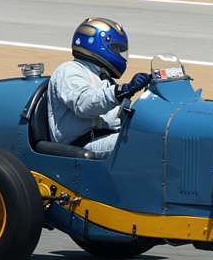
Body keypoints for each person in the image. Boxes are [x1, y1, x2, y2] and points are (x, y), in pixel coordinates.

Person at [47, 17, 151, 159]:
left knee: (160, 136)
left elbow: (118, 114)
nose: (119, 54)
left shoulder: (104, 78)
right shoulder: (69, 70)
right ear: (96, 44)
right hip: (82, 143)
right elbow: (84, 104)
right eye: (115, 48)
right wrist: (124, 90)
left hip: (103, 138)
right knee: (145, 142)